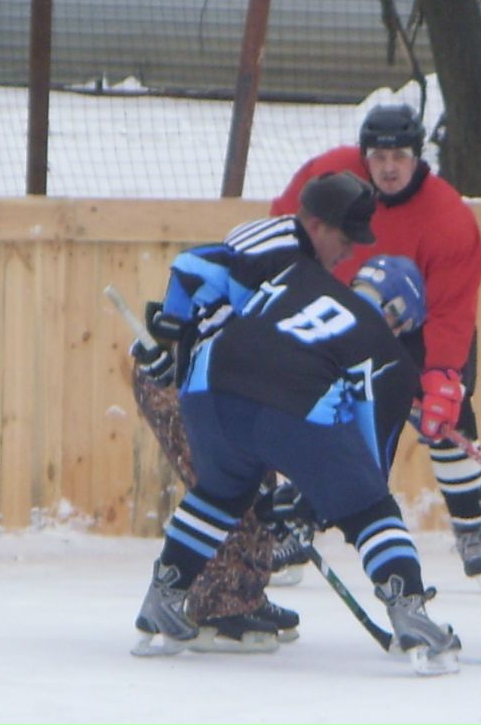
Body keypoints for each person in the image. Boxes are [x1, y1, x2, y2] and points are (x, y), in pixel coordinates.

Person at [131, 250, 461, 675]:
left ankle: (162, 602)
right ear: (401, 317)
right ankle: (410, 613)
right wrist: (311, 505)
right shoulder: (389, 355)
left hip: (207, 385)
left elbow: (198, 264)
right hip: (291, 403)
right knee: (373, 509)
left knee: (219, 493)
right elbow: (366, 471)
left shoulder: (302, 277)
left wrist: (174, 325)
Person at [129, 171, 378, 652]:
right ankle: (222, 605)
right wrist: (168, 336)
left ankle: (215, 596)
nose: (349, 254)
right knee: (231, 486)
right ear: (319, 224)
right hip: (186, 379)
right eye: (345, 241)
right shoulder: (276, 244)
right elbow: (190, 263)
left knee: (242, 483)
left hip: (223, 381)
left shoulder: (303, 264)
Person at [270, 104, 481, 578]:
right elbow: (283, 227)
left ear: (418, 156)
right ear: (363, 154)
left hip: (420, 327)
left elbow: (452, 309)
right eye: (378, 156)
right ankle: (297, 524)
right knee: (326, 416)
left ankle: (469, 524)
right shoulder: (329, 174)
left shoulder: (448, 217)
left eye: (401, 156)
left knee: (452, 420)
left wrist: (442, 378)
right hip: (345, 318)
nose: (389, 167)